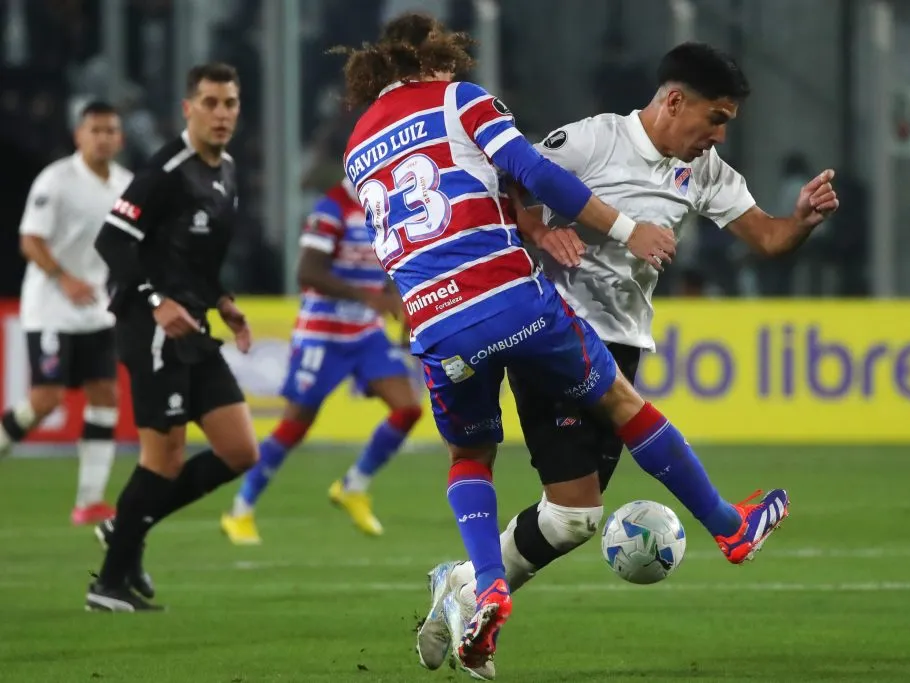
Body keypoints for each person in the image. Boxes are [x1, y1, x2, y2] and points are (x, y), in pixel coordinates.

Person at [343, 15, 795, 670]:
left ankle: (485, 583)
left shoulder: (359, 143)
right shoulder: (459, 100)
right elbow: (534, 171)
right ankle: (729, 526)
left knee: (470, 456)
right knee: (622, 400)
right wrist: (624, 227)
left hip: (433, 319)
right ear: (434, 63)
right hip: (508, 296)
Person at [85, 63, 258, 612]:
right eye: (210, 103)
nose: (221, 113)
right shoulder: (167, 169)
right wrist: (156, 301)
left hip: (195, 325)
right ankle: (108, 585)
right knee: (163, 458)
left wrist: (223, 300)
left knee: (238, 449)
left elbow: (197, 258)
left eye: (229, 103)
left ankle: (127, 528)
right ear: (189, 109)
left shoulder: (226, 169)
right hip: (152, 327)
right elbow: (112, 240)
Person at [220, 180, 421, 544]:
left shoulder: (385, 206)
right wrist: (368, 296)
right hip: (322, 335)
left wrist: (399, 299)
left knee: (408, 409)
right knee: (295, 426)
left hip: (365, 333)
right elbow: (307, 272)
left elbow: (392, 264)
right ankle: (240, 509)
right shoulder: (332, 207)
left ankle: (353, 486)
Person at [0, 102, 132, 525]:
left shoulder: (127, 184)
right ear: (80, 135)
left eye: (111, 130)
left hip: (96, 309)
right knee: (46, 398)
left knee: (105, 394)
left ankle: (89, 500)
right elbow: (30, 241)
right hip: (52, 306)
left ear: (121, 138)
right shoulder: (56, 180)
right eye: (96, 130)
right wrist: (64, 278)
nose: (103, 137)